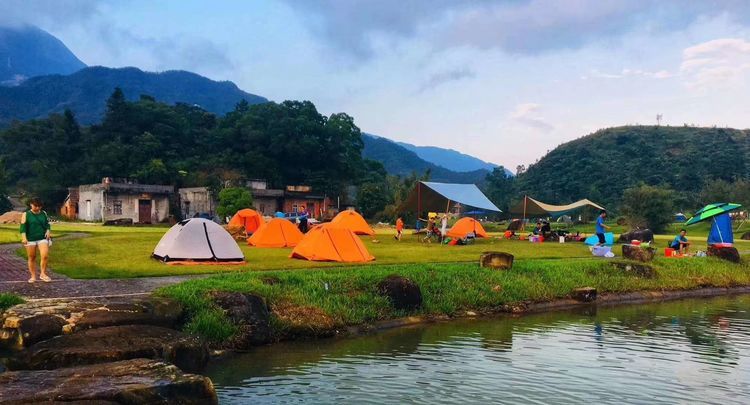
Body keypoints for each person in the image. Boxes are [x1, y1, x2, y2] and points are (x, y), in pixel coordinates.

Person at [20, 198, 52, 283]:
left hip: (42, 238)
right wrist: (24, 237)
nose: (37, 208)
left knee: (45, 256)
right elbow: (23, 227)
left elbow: (47, 224)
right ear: (31, 204)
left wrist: (48, 231)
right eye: (35, 206)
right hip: (30, 239)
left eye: (39, 206)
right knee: (32, 257)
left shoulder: (44, 213)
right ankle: (33, 276)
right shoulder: (26, 214)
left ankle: (43, 274)